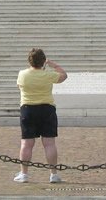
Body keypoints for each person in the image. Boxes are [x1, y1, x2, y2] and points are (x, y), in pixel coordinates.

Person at [14, 47, 68, 184]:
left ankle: (24, 174)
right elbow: (64, 75)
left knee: (27, 144)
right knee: (49, 143)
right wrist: (53, 64)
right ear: (43, 61)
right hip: (46, 109)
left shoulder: (22, 74)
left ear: (29, 61)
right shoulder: (48, 75)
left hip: (28, 109)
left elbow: (19, 86)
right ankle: (53, 174)